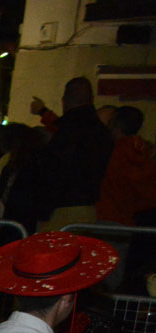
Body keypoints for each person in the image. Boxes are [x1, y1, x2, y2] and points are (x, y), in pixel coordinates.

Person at [33, 77, 114, 231]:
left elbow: (53, 173)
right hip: (90, 209)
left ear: (64, 101)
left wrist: (42, 211)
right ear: (92, 99)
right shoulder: (101, 132)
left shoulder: (66, 132)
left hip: (61, 210)